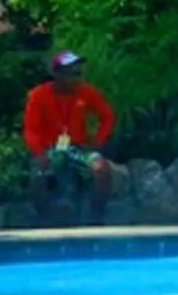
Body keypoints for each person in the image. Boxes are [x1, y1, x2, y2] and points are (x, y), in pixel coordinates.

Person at [23, 51, 115, 220]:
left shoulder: (86, 92)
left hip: (77, 148)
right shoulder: (38, 95)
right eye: (71, 73)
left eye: (78, 73)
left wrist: (97, 142)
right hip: (50, 149)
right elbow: (30, 129)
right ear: (57, 74)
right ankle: (44, 220)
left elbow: (107, 116)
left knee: (101, 169)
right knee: (38, 177)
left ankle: (96, 217)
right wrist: (39, 153)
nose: (76, 77)